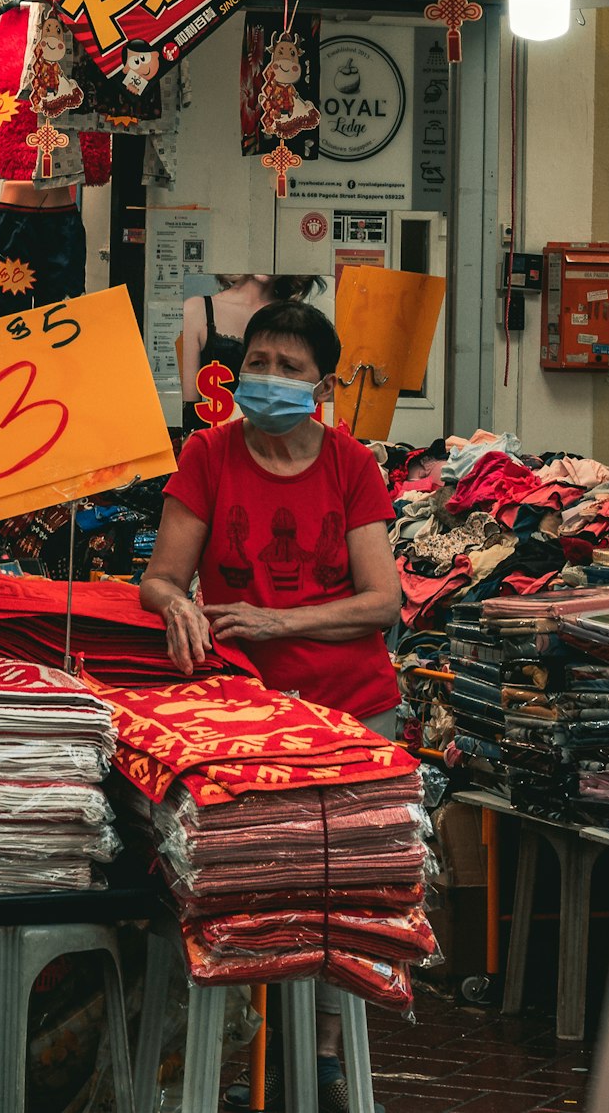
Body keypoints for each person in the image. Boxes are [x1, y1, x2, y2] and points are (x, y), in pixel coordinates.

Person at [142, 300, 401, 1112]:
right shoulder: (209, 455)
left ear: (322, 385)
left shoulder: (351, 463)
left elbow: (382, 600)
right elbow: (161, 574)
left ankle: (322, 1050)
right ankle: (241, 1037)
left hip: (351, 708)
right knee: (250, 879)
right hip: (243, 712)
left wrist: (282, 621)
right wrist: (171, 602)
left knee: (342, 889)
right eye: (259, 362)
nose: (270, 379)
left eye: (290, 368)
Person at [181, 275, 322, 433]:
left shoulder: (299, 318)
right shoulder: (196, 310)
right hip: (214, 440)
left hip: (277, 441)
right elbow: (189, 409)